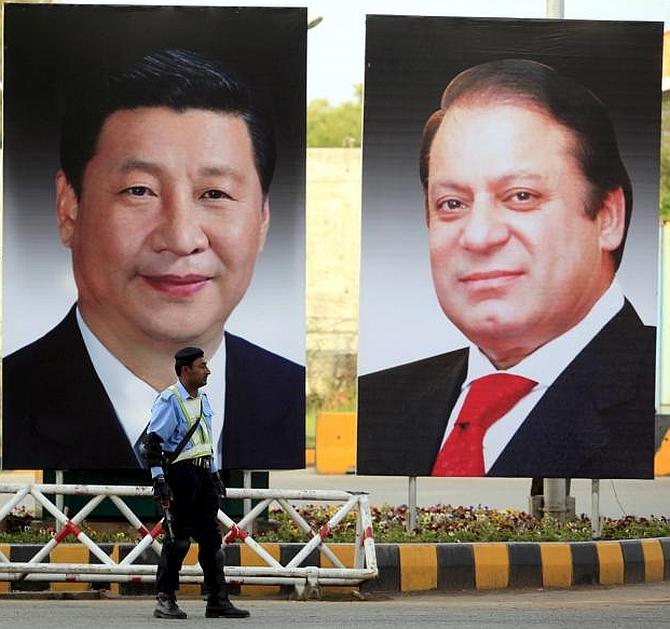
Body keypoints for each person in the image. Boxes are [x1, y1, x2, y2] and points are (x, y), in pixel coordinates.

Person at [2, 49, 304, 471]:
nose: (181, 239)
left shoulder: (289, 393)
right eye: (139, 191)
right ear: (69, 208)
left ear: (263, 218)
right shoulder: (10, 398)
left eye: (214, 194)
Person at [357, 59, 655, 479]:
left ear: (608, 217)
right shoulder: (377, 403)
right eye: (452, 204)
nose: (478, 237)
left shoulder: (653, 400)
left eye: (520, 196)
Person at [146, 346, 248, 619]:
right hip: (181, 476)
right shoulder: (170, 399)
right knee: (178, 540)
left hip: (202, 476)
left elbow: (206, 443)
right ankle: (165, 599)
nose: (208, 370)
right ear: (185, 370)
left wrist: (214, 475)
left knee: (212, 541)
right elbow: (153, 445)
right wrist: (160, 482)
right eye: (202, 366)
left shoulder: (203, 399)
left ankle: (217, 600)